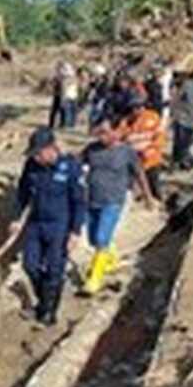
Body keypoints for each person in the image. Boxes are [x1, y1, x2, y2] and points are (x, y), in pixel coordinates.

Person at [11, 128, 87, 324]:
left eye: (38, 153)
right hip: (35, 223)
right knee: (30, 265)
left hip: (59, 225)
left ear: (51, 149)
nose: (35, 157)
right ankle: (44, 302)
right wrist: (17, 218)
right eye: (33, 153)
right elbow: (22, 194)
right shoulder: (31, 166)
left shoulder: (70, 167)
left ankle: (48, 313)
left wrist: (75, 232)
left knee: (54, 269)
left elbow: (79, 202)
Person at [80, 118, 148, 295]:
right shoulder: (92, 150)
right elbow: (76, 164)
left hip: (113, 201)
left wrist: (148, 196)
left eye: (104, 132)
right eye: (98, 134)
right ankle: (109, 257)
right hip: (92, 199)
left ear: (115, 131)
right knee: (93, 239)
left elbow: (139, 172)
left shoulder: (126, 152)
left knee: (102, 238)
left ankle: (94, 279)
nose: (101, 137)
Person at [117, 94, 165, 204]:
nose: (137, 110)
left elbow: (160, 136)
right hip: (135, 160)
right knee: (135, 184)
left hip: (152, 158)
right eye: (134, 108)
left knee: (154, 184)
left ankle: (158, 204)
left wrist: (153, 148)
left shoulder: (153, 117)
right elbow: (119, 138)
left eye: (140, 107)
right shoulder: (126, 122)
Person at [170, 65, 193, 169]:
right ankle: (178, 162)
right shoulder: (187, 85)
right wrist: (173, 113)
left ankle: (181, 161)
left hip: (192, 120)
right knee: (179, 142)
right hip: (181, 118)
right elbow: (177, 98)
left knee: (187, 142)